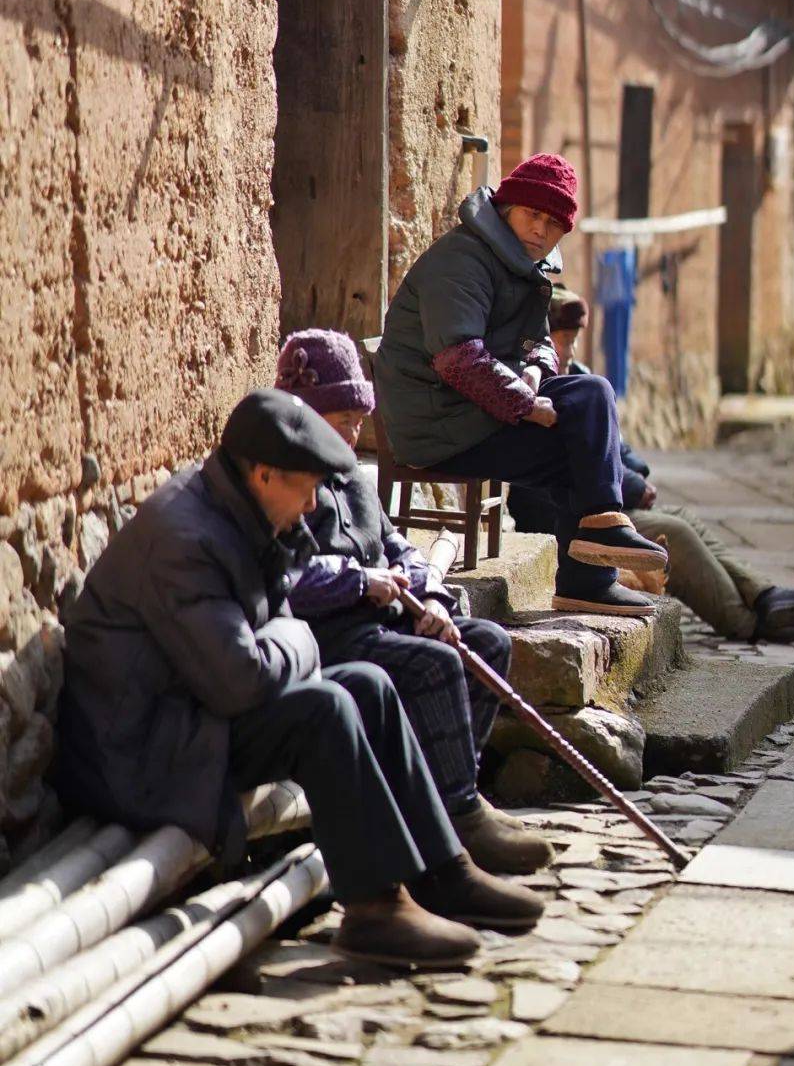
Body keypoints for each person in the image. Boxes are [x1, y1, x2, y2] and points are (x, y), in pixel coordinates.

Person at [58, 389, 545, 969]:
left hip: (195, 714)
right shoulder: (185, 540)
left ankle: (442, 871)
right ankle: (374, 908)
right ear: (264, 474)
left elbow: (268, 636)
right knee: (326, 709)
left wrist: (287, 637)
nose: (314, 503)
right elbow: (240, 680)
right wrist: (302, 639)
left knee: (368, 685)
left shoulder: (241, 507)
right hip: (145, 751)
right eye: (307, 487)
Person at [274, 328, 554, 876]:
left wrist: (429, 595)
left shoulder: (352, 478)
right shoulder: (285, 478)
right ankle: (455, 814)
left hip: (381, 623)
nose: (351, 437)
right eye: (340, 424)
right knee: (433, 664)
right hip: (330, 638)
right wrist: (360, 582)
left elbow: (399, 545)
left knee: (487, 643)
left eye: (358, 423)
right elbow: (282, 578)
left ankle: (451, 791)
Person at [373, 154, 668, 619]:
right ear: (507, 207)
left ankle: (587, 582)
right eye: (533, 214)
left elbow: (540, 341)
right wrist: (525, 404)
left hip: (472, 414)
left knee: (585, 424)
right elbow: (458, 359)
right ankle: (603, 527)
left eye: (554, 224)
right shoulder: (462, 260)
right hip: (437, 422)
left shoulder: (522, 266)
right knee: (591, 397)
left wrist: (533, 371)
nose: (541, 230)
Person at [509, 289, 794, 646]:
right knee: (675, 533)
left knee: (685, 516)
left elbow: (620, 450)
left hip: (612, 500)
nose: (570, 350)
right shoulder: (543, 392)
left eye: (575, 340)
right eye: (564, 340)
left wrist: (635, 474)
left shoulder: (581, 376)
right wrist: (632, 485)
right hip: (572, 512)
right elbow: (573, 464)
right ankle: (747, 622)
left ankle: (764, 596)